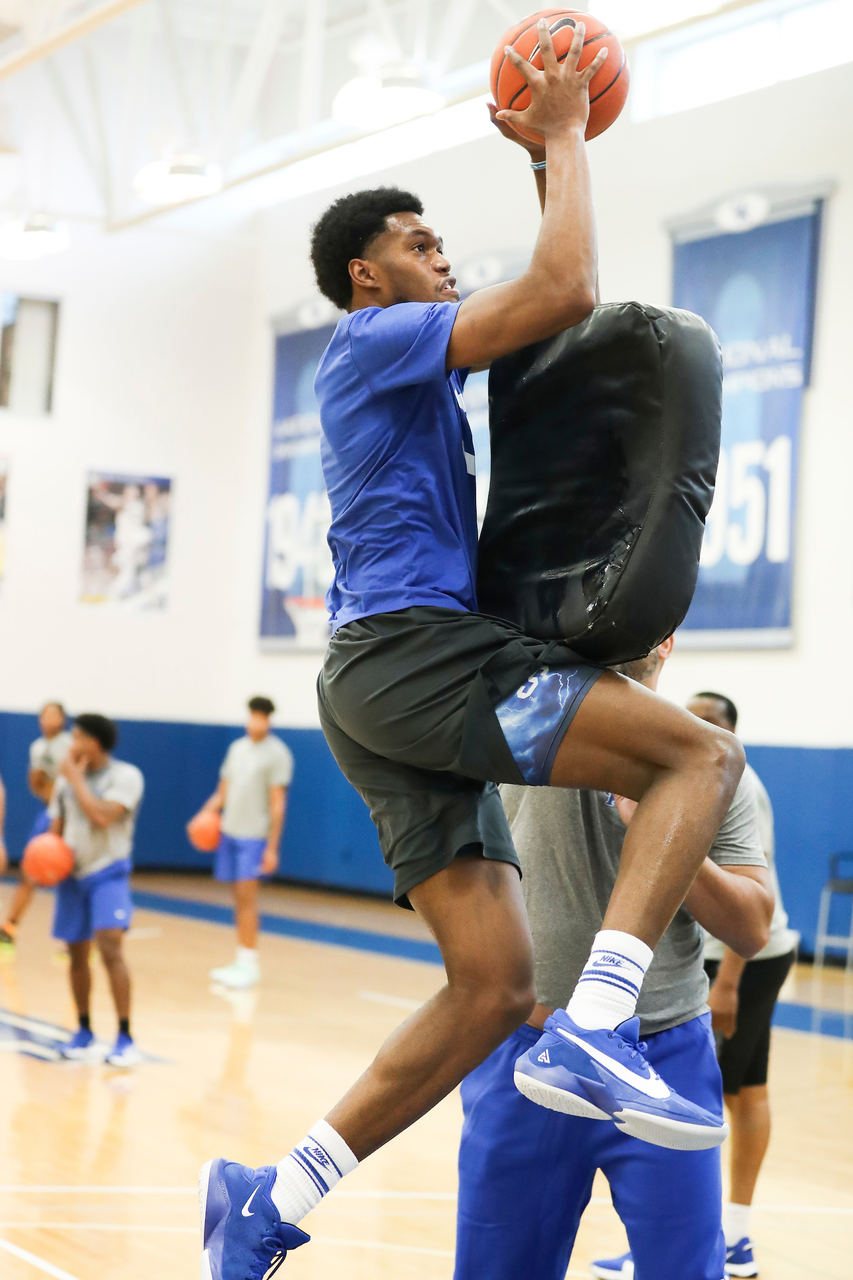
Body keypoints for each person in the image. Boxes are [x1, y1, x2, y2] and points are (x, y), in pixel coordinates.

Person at [199, 24, 745, 1278]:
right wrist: (562, 130)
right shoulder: (369, 341)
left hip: (371, 682)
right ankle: (600, 1017)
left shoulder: (408, 368)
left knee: (491, 986)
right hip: (410, 657)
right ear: (365, 278)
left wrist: (558, 159)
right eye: (418, 243)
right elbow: (557, 294)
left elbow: (556, 311)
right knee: (695, 759)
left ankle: (271, 1195)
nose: (443, 256)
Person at [690, 691, 798, 1280]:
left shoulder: (737, 785)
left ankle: (703, 1242)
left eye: (711, 721)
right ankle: (732, 1239)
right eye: (691, 715)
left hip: (739, 963)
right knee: (745, 1090)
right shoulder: (699, 770)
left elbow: (756, 899)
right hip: (742, 958)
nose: (698, 726)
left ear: (733, 732)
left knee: (703, 1096)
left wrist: (727, 984)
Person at [50, 713, 145, 1067]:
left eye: (76, 737)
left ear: (93, 742)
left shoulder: (126, 776)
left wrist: (74, 780)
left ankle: (124, 1036)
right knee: (76, 954)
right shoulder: (64, 784)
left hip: (108, 872)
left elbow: (102, 814)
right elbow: (55, 828)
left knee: (110, 948)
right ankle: (84, 1031)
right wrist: (44, 860)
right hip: (71, 876)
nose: (71, 744)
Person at [190, 696, 292, 990]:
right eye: (252, 716)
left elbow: (278, 804)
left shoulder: (277, 754)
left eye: (261, 716)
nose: (255, 721)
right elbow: (221, 792)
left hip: (254, 837)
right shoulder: (236, 749)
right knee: (237, 897)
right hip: (229, 832)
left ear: (268, 720)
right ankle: (241, 958)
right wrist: (203, 815)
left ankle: (249, 964)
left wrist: (272, 847)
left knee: (248, 899)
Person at [0, 701, 70, 950]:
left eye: (53, 714)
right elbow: (36, 787)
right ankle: (9, 928)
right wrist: (40, 780)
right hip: (48, 813)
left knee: (74, 877)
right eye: (44, 714)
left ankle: (79, 940)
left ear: (62, 719)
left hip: (72, 816)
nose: (48, 719)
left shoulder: (71, 745)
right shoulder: (37, 747)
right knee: (31, 868)